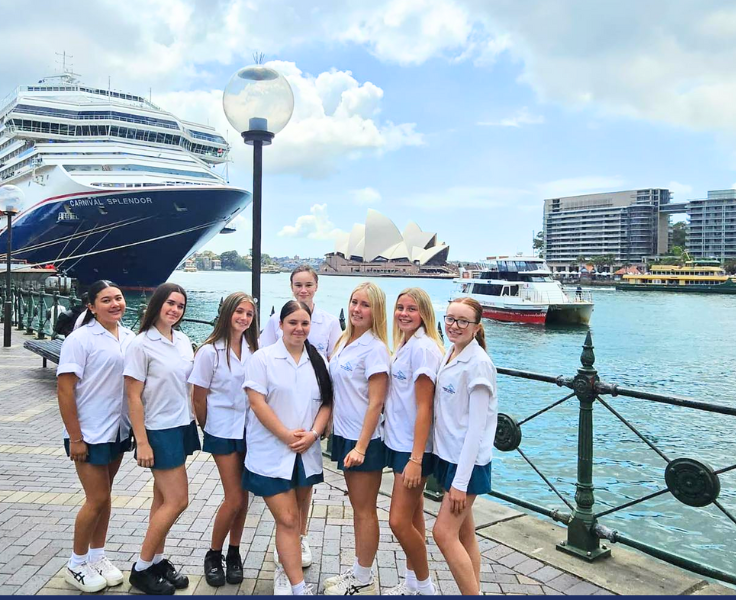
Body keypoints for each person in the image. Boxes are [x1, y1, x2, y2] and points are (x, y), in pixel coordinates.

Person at [243, 301, 333, 595]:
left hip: (305, 452)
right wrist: (284, 435)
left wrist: (314, 434)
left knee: (295, 519)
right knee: (288, 518)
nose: (299, 328)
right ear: (280, 325)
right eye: (292, 322)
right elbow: (257, 402)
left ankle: (285, 567)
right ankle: (298, 586)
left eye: (304, 323)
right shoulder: (263, 359)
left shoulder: (318, 360)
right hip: (271, 450)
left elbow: (326, 403)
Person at [259, 264, 341, 568]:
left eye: (308, 285)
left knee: (304, 484)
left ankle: (300, 535)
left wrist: (324, 424)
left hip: (312, 416)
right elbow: (265, 365)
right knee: (281, 485)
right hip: (280, 416)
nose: (303, 290)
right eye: (297, 285)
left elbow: (333, 366)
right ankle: (288, 535)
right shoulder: (273, 323)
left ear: (316, 286)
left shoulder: (330, 323)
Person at [57, 280, 135, 593]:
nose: (115, 304)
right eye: (106, 300)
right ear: (92, 306)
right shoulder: (81, 339)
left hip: (117, 429)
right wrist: (75, 437)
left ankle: (97, 556)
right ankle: (75, 564)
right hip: (88, 432)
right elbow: (64, 389)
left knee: (106, 497)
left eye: (118, 297)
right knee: (97, 498)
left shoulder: (129, 337)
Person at [124, 283, 200, 595]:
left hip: (181, 424)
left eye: (180, 306)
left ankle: (156, 560)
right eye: (170, 303)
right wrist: (141, 441)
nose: (175, 310)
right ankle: (141, 568)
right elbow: (133, 397)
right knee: (178, 500)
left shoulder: (182, 341)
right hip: (158, 429)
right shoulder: (141, 344)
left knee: (162, 500)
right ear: (157, 304)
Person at [323, 282, 390, 596]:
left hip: (364, 440)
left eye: (364, 305)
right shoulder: (345, 340)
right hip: (344, 434)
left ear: (375, 311)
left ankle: (363, 577)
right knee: (356, 506)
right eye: (353, 302)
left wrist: (362, 447)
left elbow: (376, 402)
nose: (357, 309)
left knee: (365, 509)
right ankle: (358, 568)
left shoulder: (375, 348)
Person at [189, 292, 258, 587]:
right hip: (222, 431)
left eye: (249, 314)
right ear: (228, 313)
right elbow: (199, 397)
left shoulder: (255, 349)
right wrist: (208, 426)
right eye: (239, 312)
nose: (244, 318)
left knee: (243, 499)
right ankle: (213, 553)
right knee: (234, 497)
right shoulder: (210, 352)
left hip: (250, 431)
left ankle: (234, 553)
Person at [432, 297, 498, 595]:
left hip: (466, 465)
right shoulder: (451, 352)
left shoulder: (479, 365)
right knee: (465, 535)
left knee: (443, 534)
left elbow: (477, 428)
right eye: (450, 319)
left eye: (462, 321)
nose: (454, 326)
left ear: (476, 327)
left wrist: (460, 482)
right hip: (448, 456)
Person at [383, 288, 444, 596]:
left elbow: (425, 406)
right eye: (400, 307)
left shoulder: (423, 348)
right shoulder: (406, 343)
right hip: (398, 442)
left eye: (411, 309)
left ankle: (425, 586)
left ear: (424, 314)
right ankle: (413, 583)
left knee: (397, 521)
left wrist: (416, 459)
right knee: (414, 515)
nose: (404, 313)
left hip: (411, 448)